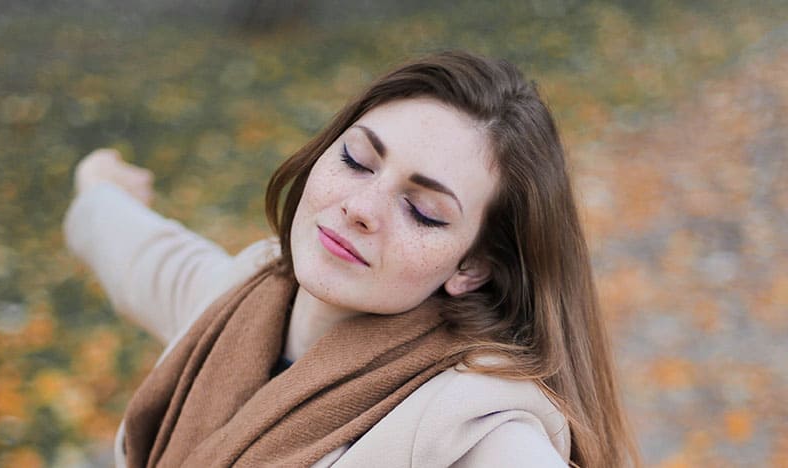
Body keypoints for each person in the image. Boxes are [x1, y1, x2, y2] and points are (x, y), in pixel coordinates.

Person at [64, 51, 639, 467]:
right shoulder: (239, 295)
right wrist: (97, 185)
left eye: (424, 210)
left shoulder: (472, 423)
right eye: (358, 160)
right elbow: (140, 251)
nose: (361, 208)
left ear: (472, 267)